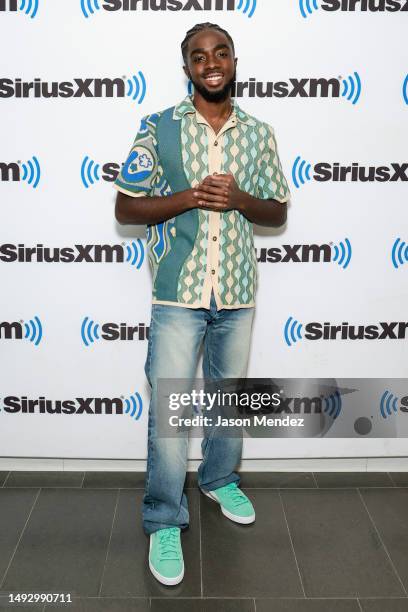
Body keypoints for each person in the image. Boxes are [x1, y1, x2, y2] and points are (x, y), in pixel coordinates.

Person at [113, 22, 290, 586]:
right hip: (178, 293)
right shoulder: (158, 127)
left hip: (236, 290)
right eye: (198, 55)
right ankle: (164, 517)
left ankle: (217, 480)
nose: (210, 62)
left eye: (220, 53)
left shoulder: (259, 133)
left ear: (234, 61)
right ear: (186, 66)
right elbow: (125, 209)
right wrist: (189, 197)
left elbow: (277, 213)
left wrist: (238, 198)